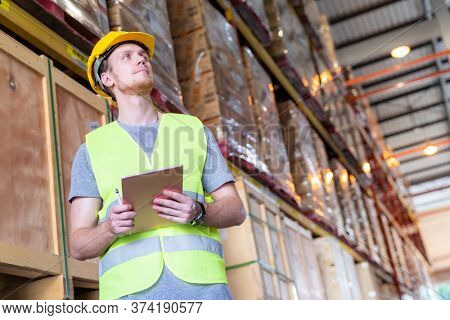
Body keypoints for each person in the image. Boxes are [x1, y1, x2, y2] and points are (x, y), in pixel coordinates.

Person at [68, 31, 246, 300]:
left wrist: (199, 212)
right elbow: (79, 246)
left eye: (142, 56)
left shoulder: (193, 130)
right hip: (130, 297)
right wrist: (110, 228)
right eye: (127, 57)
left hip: (205, 291)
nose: (141, 60)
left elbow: (236, 210)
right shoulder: (91, 150)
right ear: (108, 79)